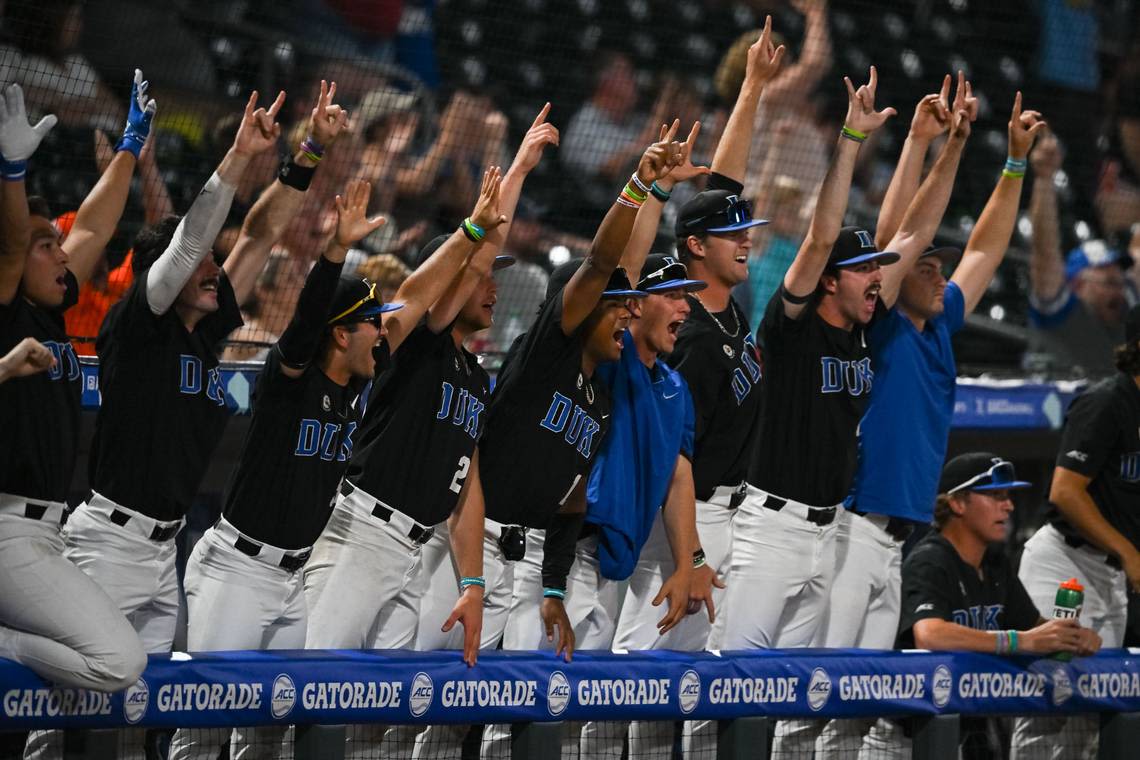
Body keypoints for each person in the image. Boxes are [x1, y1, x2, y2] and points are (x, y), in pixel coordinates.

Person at [816, 89, 1045, 757]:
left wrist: (1014, 165)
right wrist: (936, 146)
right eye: (926, 266)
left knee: (861, 710)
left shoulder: (939, 322)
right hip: (852, 531)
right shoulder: (879, 325)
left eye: (939, 268)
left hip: (897, 543)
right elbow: (901, 236)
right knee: (830, 700)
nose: (938, 268)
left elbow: (986, 249)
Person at [62, 84, 302, 668]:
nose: (215, 271)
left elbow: (259, 236)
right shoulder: (139, 324)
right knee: (74, 708)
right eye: (200, 264)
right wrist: (239, 155)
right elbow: (194, 237)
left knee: (136, 718)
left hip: (164, 548)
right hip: (109, 544)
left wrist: (309, 153)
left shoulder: (202, 331)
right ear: (161, 273)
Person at [720, 65, 897, 756]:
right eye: (864, 270)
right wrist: (849, 138)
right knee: (728, 695)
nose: (877, 277)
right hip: (768, 530)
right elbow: (821, 239)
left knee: (798, 716)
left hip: (827, 539)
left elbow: (910, 237)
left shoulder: (862, 330)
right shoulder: (789, 328)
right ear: (828, 280)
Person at [0, 77, 147, 695]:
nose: (62, 252)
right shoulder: (5, 302)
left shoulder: (48, 309)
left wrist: (132, 146)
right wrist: (11, 172)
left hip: (45, 531)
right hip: (7, 527)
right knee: (120, 663)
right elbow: (11, 241)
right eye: (46, 245)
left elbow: (93, 226)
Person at [862, 453, 1101, 760]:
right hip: (904, 740)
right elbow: (930, 634)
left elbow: (1035, 628)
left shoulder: (995, 564)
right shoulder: (930, 560)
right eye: (995, 495)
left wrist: (1070, 637)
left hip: (959, 733)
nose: (1009, 505)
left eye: (1008, 496)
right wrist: (1018, 641)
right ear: (958, 504)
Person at [1011, 303, 1140, 760]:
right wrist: (1130, 553)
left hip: (1110, 576)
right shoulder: (1109, 400)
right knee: (1049, 704)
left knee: (1089, 720)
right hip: (1065, 562)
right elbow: (1065, 492)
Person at [1027, 131, 1131, 377]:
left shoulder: (1125, 323)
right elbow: (1044, 253)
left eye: (1119, 282)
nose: (1119, 291)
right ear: (1077, 285)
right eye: (1109, 283)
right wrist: (1044, 179)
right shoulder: (1065, 316)